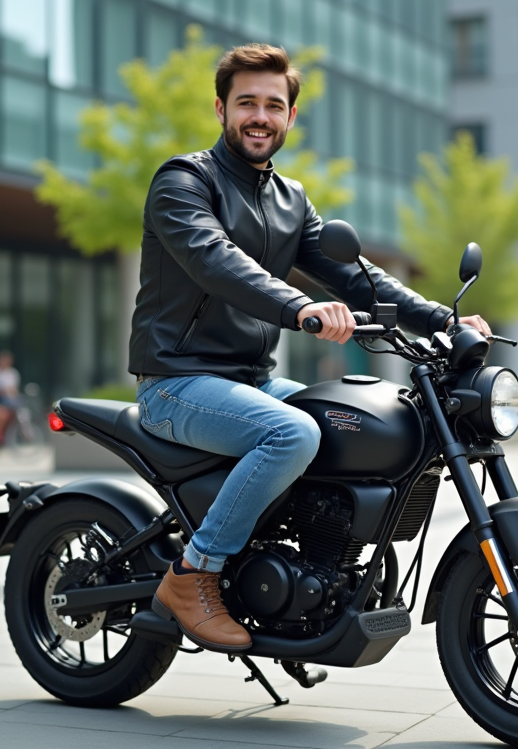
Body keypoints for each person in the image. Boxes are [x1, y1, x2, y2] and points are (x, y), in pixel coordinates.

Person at [131, 43, 492, 652]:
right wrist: (299, 307)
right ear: (221, 108)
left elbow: (358, 278)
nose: (260, 116)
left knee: (360, 425)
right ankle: (194, 573)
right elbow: (217, 263)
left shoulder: (290, 200)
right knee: (292, 434)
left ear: (290, 118)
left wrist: (444, 320)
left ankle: (319, 573)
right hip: (177, 382)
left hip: (251, 380)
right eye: (247, 102)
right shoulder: (184, 181)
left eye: (274, 105)